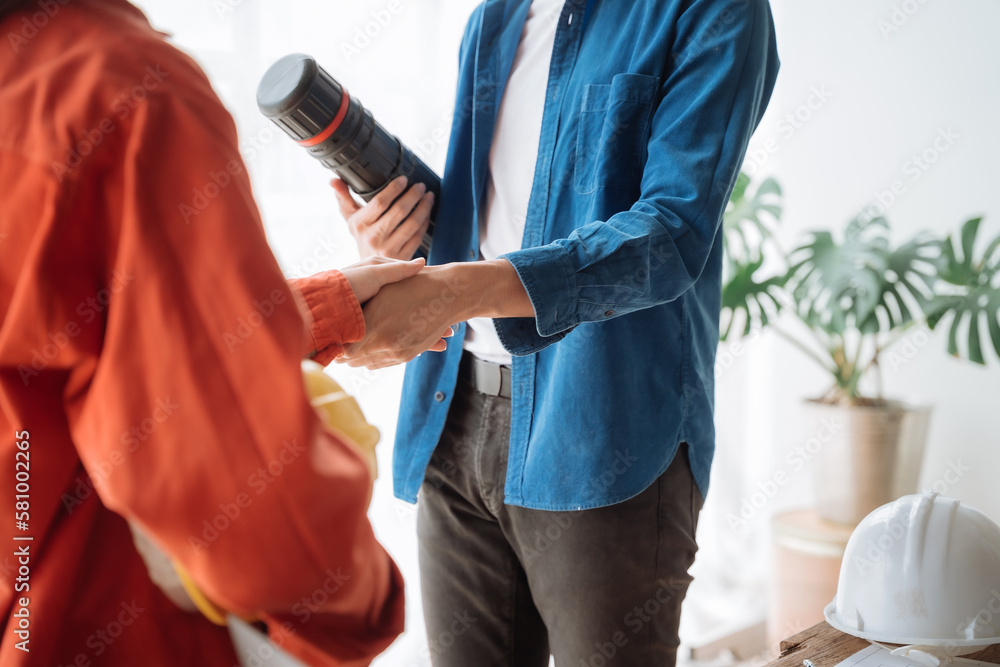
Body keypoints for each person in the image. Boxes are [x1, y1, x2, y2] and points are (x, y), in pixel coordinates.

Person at [331, 0, 780, 664]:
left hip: (603, 433)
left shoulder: (713, 10)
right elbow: (497, 212)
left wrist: (453, 292)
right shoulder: (495, 19)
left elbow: (669, 236)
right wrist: (395, 236)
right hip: (453, 415)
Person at [0, 0, 447, 663]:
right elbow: (241, 496)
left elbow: (68, 327)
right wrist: (362, 601)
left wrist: (322, 311)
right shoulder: (117, 87)